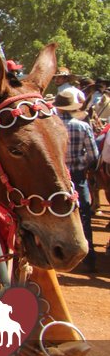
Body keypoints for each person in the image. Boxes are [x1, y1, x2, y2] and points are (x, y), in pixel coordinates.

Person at [54, 86, 100, 273]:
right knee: (83, 215)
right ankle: (89, 259)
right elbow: (93, 156)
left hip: (56, 177)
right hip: (78, 177)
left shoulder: (52, 125)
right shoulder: (82, 126)